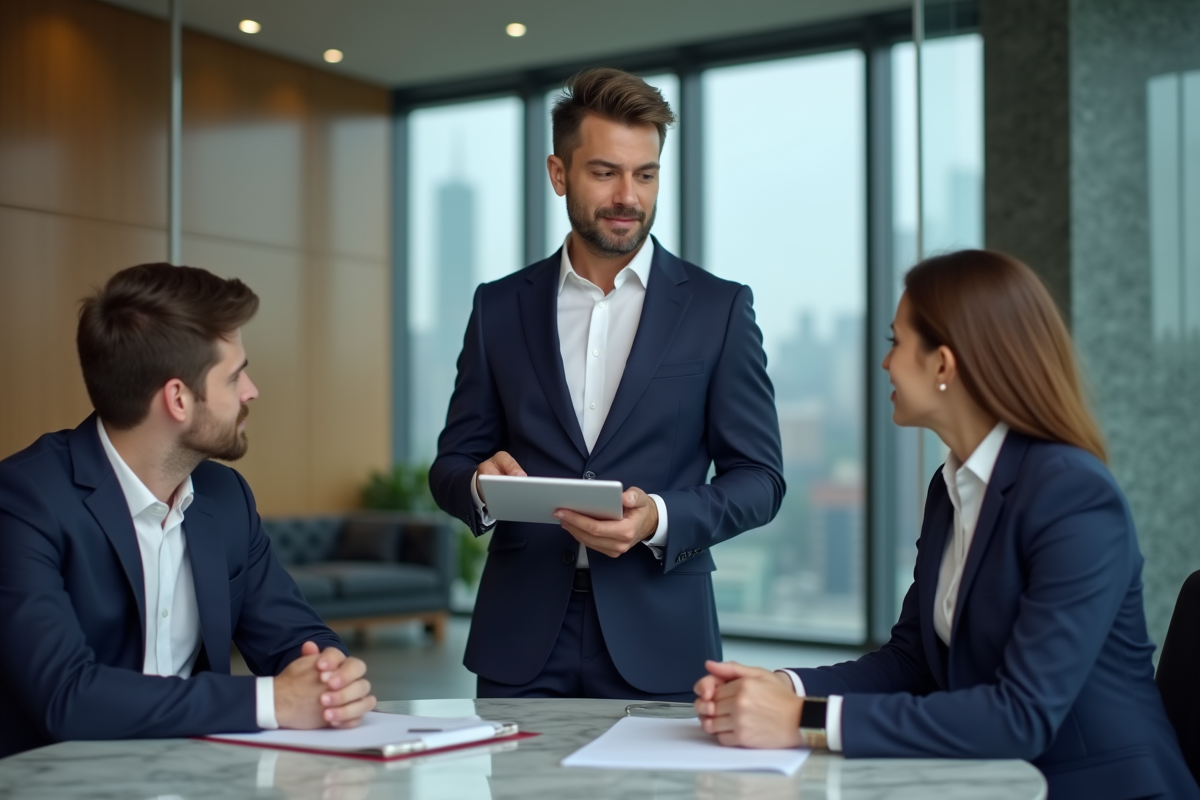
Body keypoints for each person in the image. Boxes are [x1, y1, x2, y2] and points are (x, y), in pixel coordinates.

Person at [693, 249, 1198, 799]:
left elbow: (1020, 716)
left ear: (943, 365)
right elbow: (911, 661)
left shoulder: (1072, 494)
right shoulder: (951, 487)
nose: (885, 364)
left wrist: (802, 720)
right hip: (992, 781)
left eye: (896, 343)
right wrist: (782, 687)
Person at [430, 68, 785, 700]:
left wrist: (660, 518)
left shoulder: (718, 309)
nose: (629, 195)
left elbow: (761, 479)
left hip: (663, 636)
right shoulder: (499, 308)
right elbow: (451, 463)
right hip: (522, 640)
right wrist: (481, 487)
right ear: (559, 173)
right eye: (604, 173)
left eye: (645, 175)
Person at [0, 263, 377, 759]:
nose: (251, 391)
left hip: (195, 778)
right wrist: (272, 700)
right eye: (235, 375)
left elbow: (295, 636)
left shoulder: (226, 497)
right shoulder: (24, 501)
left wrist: (329, 676)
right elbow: (68, 698)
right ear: (178, 398)